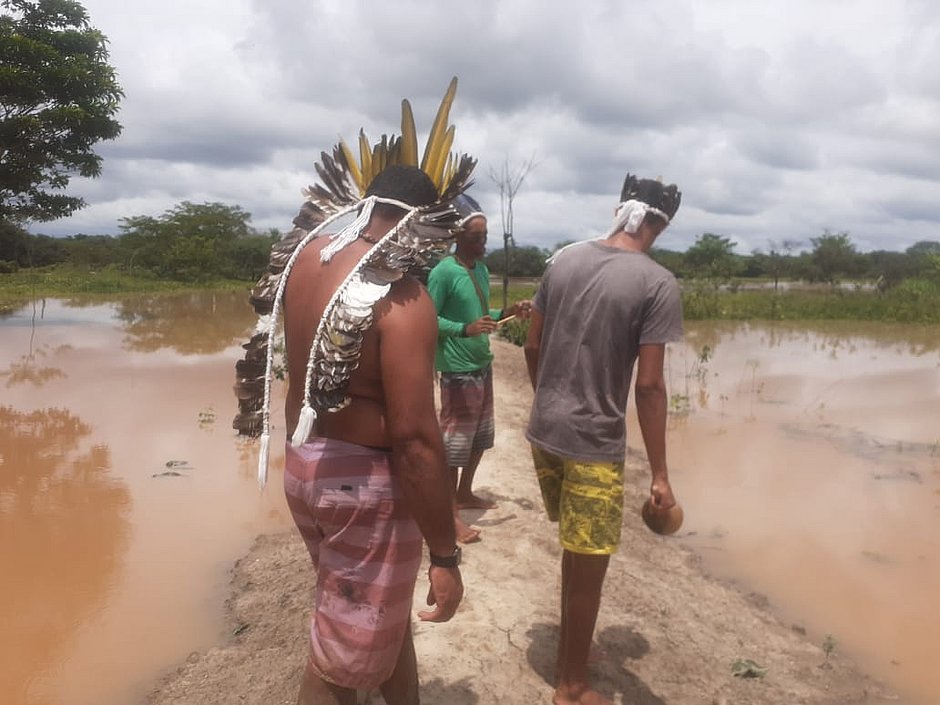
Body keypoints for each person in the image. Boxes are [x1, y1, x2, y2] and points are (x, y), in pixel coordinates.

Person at [523, 173, 683, 705]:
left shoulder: (564, 260)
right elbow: (651, 385)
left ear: (621, 209)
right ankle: (570, 686)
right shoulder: (657, 283)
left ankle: (575, 648)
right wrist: (660, 473)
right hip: (592, 442)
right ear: (659, 223)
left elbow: (532, 346)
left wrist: (548, 401)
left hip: (544, 433)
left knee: (575, 549)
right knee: (589, 562)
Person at [426, 195, 531, 543]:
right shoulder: (444, 272)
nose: (483, 244)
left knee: (479, 440)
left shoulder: (481, 270)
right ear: (458, 237)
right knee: (454, 445)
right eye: (476, 238)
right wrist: (462, 330)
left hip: (481, 365)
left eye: (485, 237)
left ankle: (464, 493)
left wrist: (509, 311)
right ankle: (450, 515)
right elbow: (428, 318)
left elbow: (484, 316)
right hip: (457, 369)